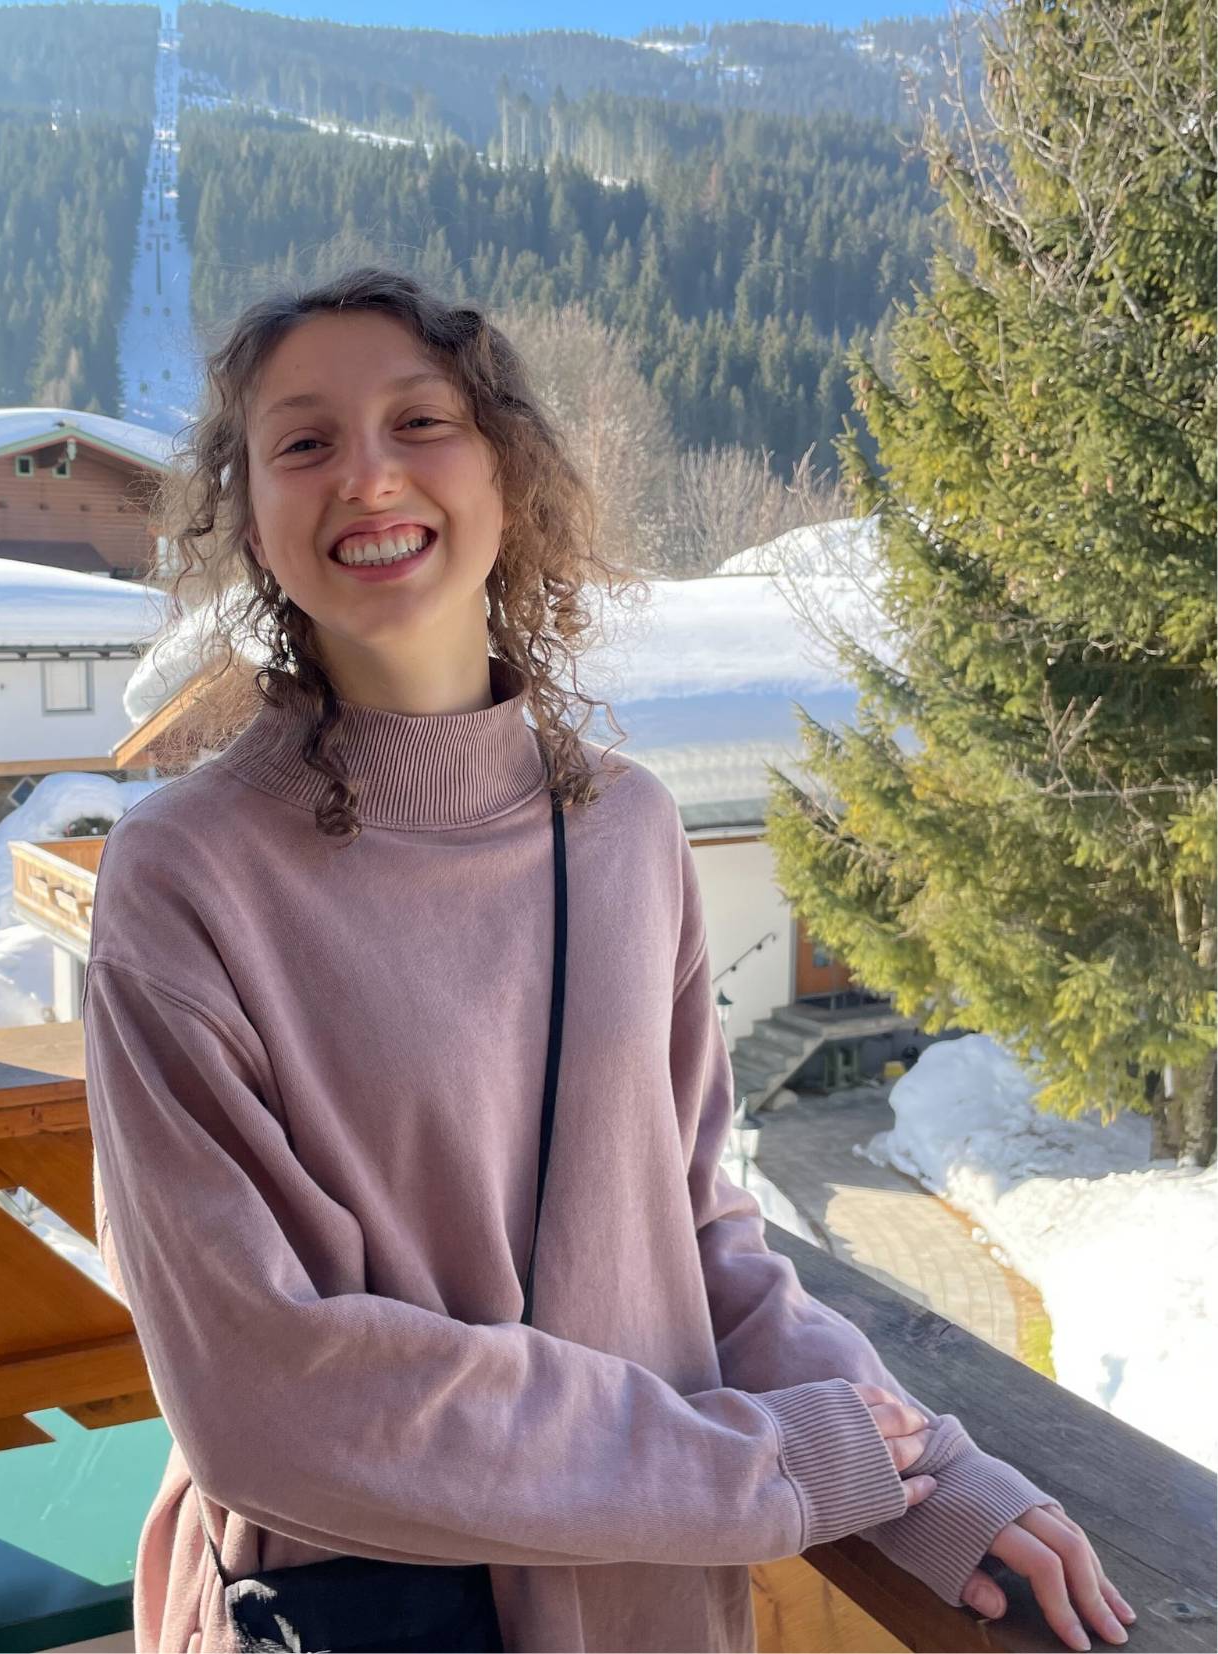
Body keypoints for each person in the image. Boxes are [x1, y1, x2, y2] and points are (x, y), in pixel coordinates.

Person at [82, 266, 1135, 1653]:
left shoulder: (625, 828)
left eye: (418, 422)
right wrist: (761, 1467)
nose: (367, 476)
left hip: (640, 1604)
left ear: (505, 473)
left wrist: (930, 1477)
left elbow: (698, 1244)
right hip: (357, 1604)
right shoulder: (185, 875)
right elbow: (265, 1397)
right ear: (253, 520)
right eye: (303, 441)